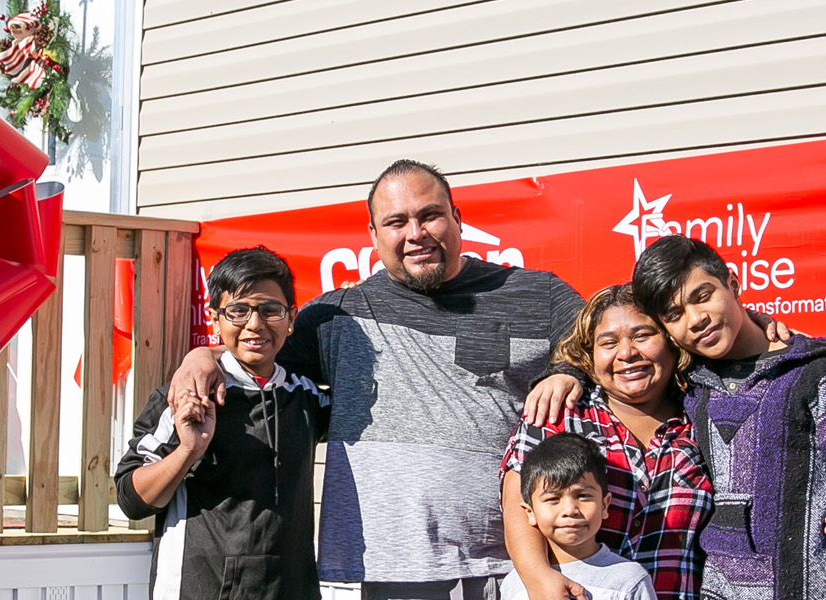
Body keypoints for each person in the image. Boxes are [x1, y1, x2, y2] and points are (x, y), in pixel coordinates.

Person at [169, 160, 791, 600]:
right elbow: (255, 352)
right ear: (373, 236)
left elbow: (633, 337)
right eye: (397, 222)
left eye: (430, 215)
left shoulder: (538, 295)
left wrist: (755, 329)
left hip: (511, 570)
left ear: (458, 219)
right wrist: (202, 355)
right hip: (378, 570)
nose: (416, 233)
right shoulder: (333, 317)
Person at [632, 235, 826, 600]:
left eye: (703, 296)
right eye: (674, 315)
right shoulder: (689, 389)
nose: (696, 319)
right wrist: (567, 375)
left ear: (733, 284)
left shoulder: (820, 378)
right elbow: (610, 351)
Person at [113, 247, 328, 600]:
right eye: (238, 311)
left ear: (291, 317)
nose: (255, 324)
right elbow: (131, 500)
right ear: (215, 319)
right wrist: (188, 450)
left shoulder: (306, 397)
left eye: (270, 310)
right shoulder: (187, 395)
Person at [501, 285, 713, 600]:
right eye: (609, 342)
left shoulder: (703, 419)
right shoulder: (560, 413)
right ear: (590, 354)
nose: (626, 353)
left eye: (642, 335)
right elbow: (519, 502)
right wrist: (538, 579)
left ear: (672, 340)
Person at [500, 433, 655, 600]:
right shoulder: (515, 584)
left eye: (583, 496)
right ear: (530, 512)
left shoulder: (629, 581)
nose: (570, 510)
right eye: (553, 499)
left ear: (604, 505)